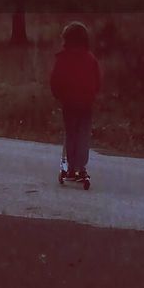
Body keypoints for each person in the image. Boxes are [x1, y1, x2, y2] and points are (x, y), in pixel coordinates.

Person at [50, 22, 101, 180]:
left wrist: (59, 95)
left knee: (71, 133)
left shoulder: (63, 58)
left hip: (69, 102)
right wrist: (93, 94)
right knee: (83, 134)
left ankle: (71, 167)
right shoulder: (90, 58)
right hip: (86, 102)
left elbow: (55, 79)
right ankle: (80, 166)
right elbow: (97, 79)